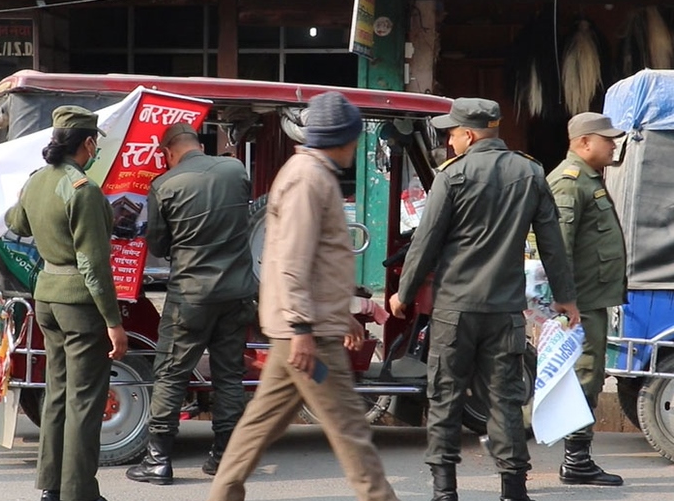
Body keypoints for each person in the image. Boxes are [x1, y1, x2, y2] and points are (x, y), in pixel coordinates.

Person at [206, 92, 400, 501]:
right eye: (352, 139)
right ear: (339, 138)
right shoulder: (309, 178)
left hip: (304, 328)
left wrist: (341, 312)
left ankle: (223, 495)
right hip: (309, 337)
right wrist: (302, 327)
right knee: (351, 430)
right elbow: (291, 260)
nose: (355, 147)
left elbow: (316, 262)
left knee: (261, 425)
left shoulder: (310, 173)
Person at [388, 97, 581, 501]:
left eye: (453, 133)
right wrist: (566, 298)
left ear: (470, 134)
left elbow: (426, 241)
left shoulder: (451, 175)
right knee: (505, 401)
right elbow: (552, 242)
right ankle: (513, 491)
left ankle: (445, 491)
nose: (450, 141)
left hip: (455, 311)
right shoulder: (530, 172)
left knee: (445, 397)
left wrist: (403, 294)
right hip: (505, 311)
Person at [5, 105, 127, 501]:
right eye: (95, 145)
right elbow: (93, 264)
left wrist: (21, 198)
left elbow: (17, 223)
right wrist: (113, 320)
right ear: (88, 143)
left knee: (56, 392)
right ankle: (80, 493)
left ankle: (51, 487)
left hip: (47, 298)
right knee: (85, 399)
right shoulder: (83, 189)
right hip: (79, 304)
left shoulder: (37, 180)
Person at [126, 123, 256, 485]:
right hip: (236, 293)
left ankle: (158, 460)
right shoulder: (235, 170)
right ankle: (225, 459)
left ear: (168, 152)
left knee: (171, 373)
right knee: (229, 375)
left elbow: (160, 247)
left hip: (191, 297)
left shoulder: (164, 186)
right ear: (198, 144)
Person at [546, 112, 626, 487]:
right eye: (607, 139)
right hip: (578, 303)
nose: (613, 145)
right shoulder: (569, 182)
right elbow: (557, 247)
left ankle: (575, 458)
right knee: (583, 376)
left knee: (585, 377)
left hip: (590, 298)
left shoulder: (588, 179)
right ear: (583, 143)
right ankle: (575, 461)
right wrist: (565, 300)